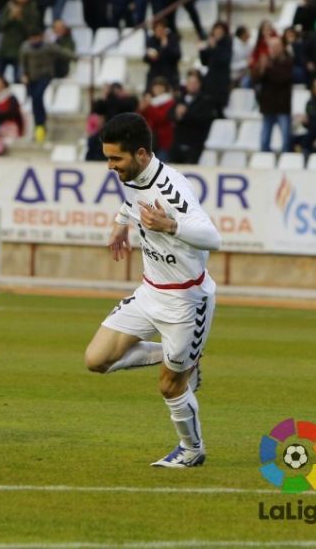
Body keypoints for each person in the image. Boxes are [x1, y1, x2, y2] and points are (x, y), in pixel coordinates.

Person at [85, 112, 221, 468]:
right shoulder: (138, 177)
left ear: (141, 154)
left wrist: (172, 225)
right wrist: (120, 225)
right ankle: (184, 361)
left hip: (186, 302)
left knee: (169, 387)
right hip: (150, 292)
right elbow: (134, 200)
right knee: (96, 360)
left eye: (116, 158)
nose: (111, 166)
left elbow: (213, 238)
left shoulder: (173, 190)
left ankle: (191, 450)